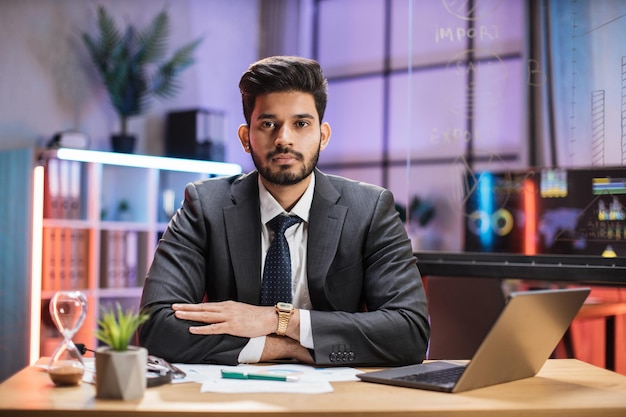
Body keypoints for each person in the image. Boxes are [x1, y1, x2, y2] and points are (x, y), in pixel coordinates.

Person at [138, 55, 430, 366]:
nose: (284, 139)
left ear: (323, 135)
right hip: (232, 396)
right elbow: (156, 326)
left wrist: (281, 320)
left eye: (301, 123)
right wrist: (285, 348)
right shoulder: (205, 206)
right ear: (245, 138)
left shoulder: (370, 209)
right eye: (268, 124)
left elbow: (409, 333)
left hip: (339, 399)